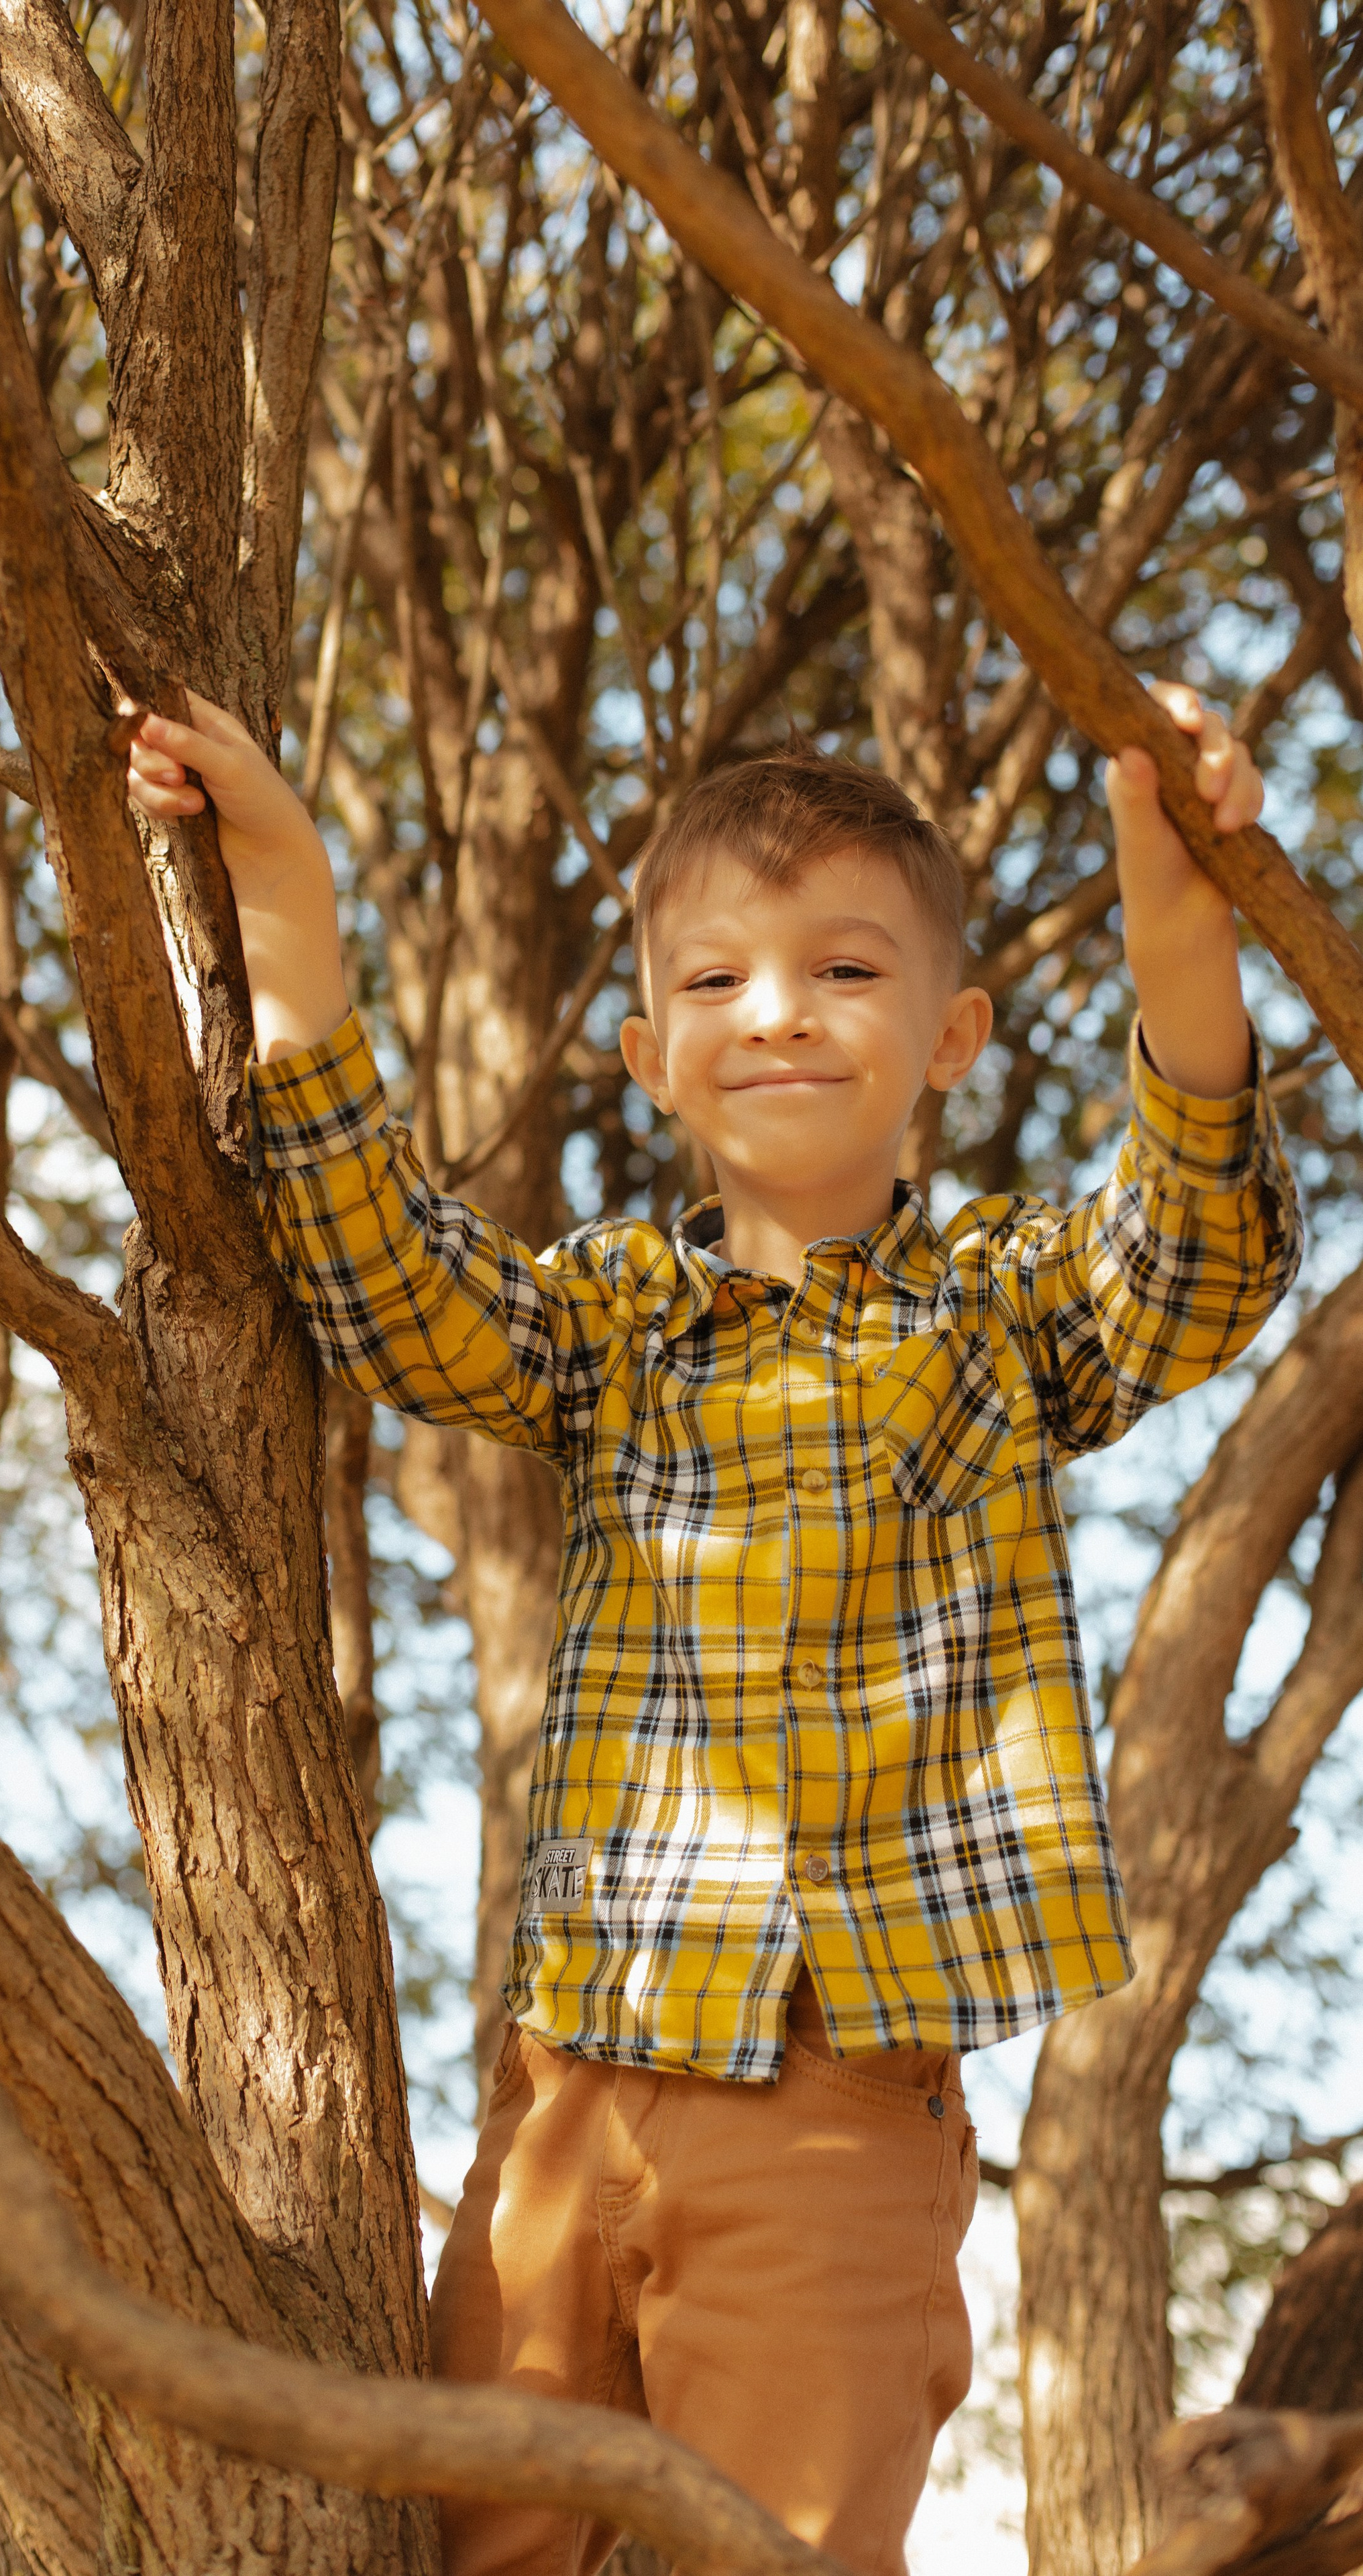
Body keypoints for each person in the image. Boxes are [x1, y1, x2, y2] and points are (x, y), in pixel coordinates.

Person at [123, 687, 1301, 2576]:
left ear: (952, 1041)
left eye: (847, 968)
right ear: (650, 1052)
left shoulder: (995, 1316)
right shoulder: (612, 1322)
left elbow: (1198, 1243)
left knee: (774, 2550)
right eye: (718, 982)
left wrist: (1180, 884)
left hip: (833, 2098)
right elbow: (378, 1271)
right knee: (476, 2541)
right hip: (568, 2076)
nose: (779, 1013)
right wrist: (285, 885)